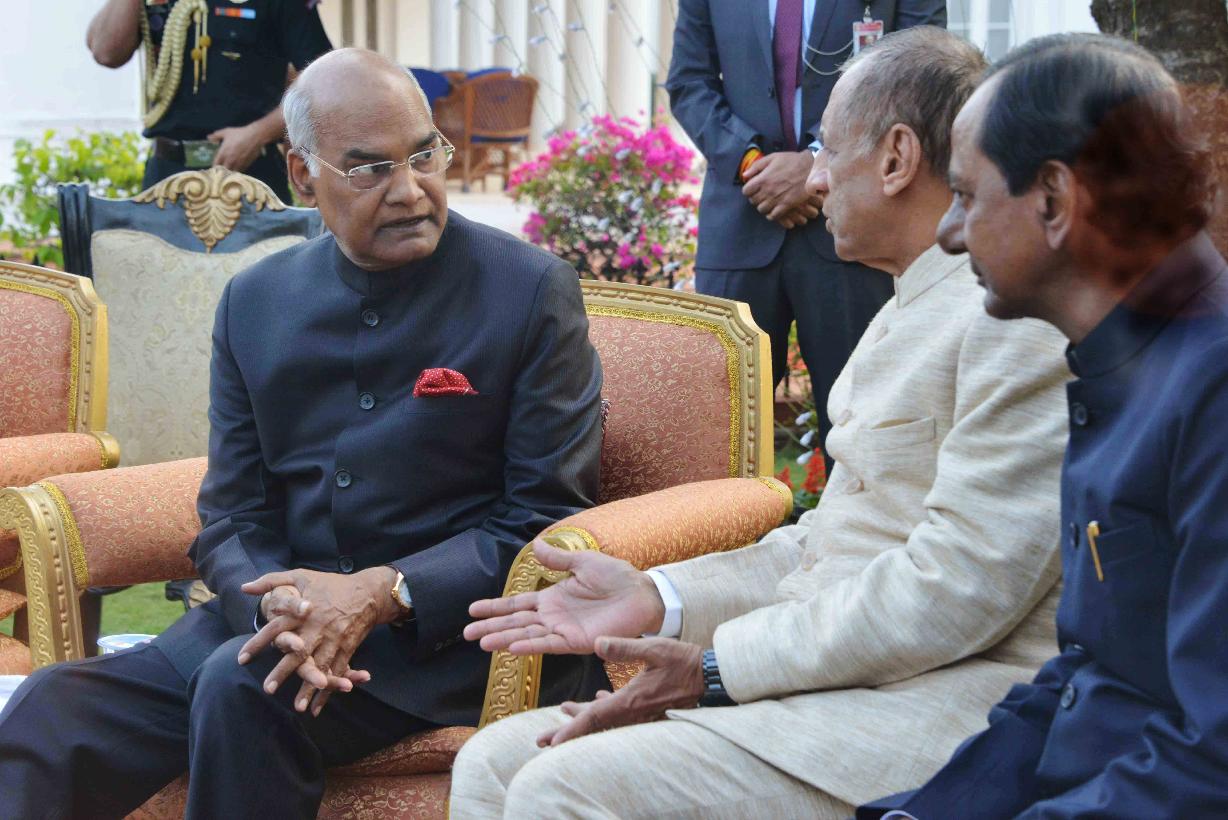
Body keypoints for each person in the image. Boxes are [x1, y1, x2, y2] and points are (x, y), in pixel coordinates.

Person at [450, 28, 1071, 819]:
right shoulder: (907, 304)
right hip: (831, 686)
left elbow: (958, 586)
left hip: (937, 704)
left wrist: (717, 668)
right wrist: (658, 595)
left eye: (825, 148)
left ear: (896, 159)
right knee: (496, 761)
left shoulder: (1010, 319)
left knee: (557, 784)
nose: (814, 173)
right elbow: (829, 543)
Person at [0, 49, 607, 818]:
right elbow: (231, 514)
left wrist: (383, 592)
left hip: (450, 644)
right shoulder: (255, 301)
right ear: (302, 175)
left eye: (425, 155)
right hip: (271, 631)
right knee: (55, 709)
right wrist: (275, 609)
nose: (410, 189)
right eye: (370, 168)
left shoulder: (529, 291)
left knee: (243, 688)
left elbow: (544, 517)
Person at [859, 33, 1228, 819]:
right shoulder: (1126, 366)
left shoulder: (1210, 392)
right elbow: (1085, 681)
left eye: (966, 195)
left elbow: (1213, 764)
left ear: (1055, 200)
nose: (949, 233)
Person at [666, 0, 946, 465]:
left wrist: (820, 161)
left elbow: (922, 75)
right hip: (741, 224)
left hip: (859, 228)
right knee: (718, 444)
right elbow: (688, 83)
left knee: (864, 433)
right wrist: (752, 164)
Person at [86, 0, 332, 201]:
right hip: (167, 173)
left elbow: (323, 80)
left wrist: (257, 134)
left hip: (250, 172)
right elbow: (106, 52)